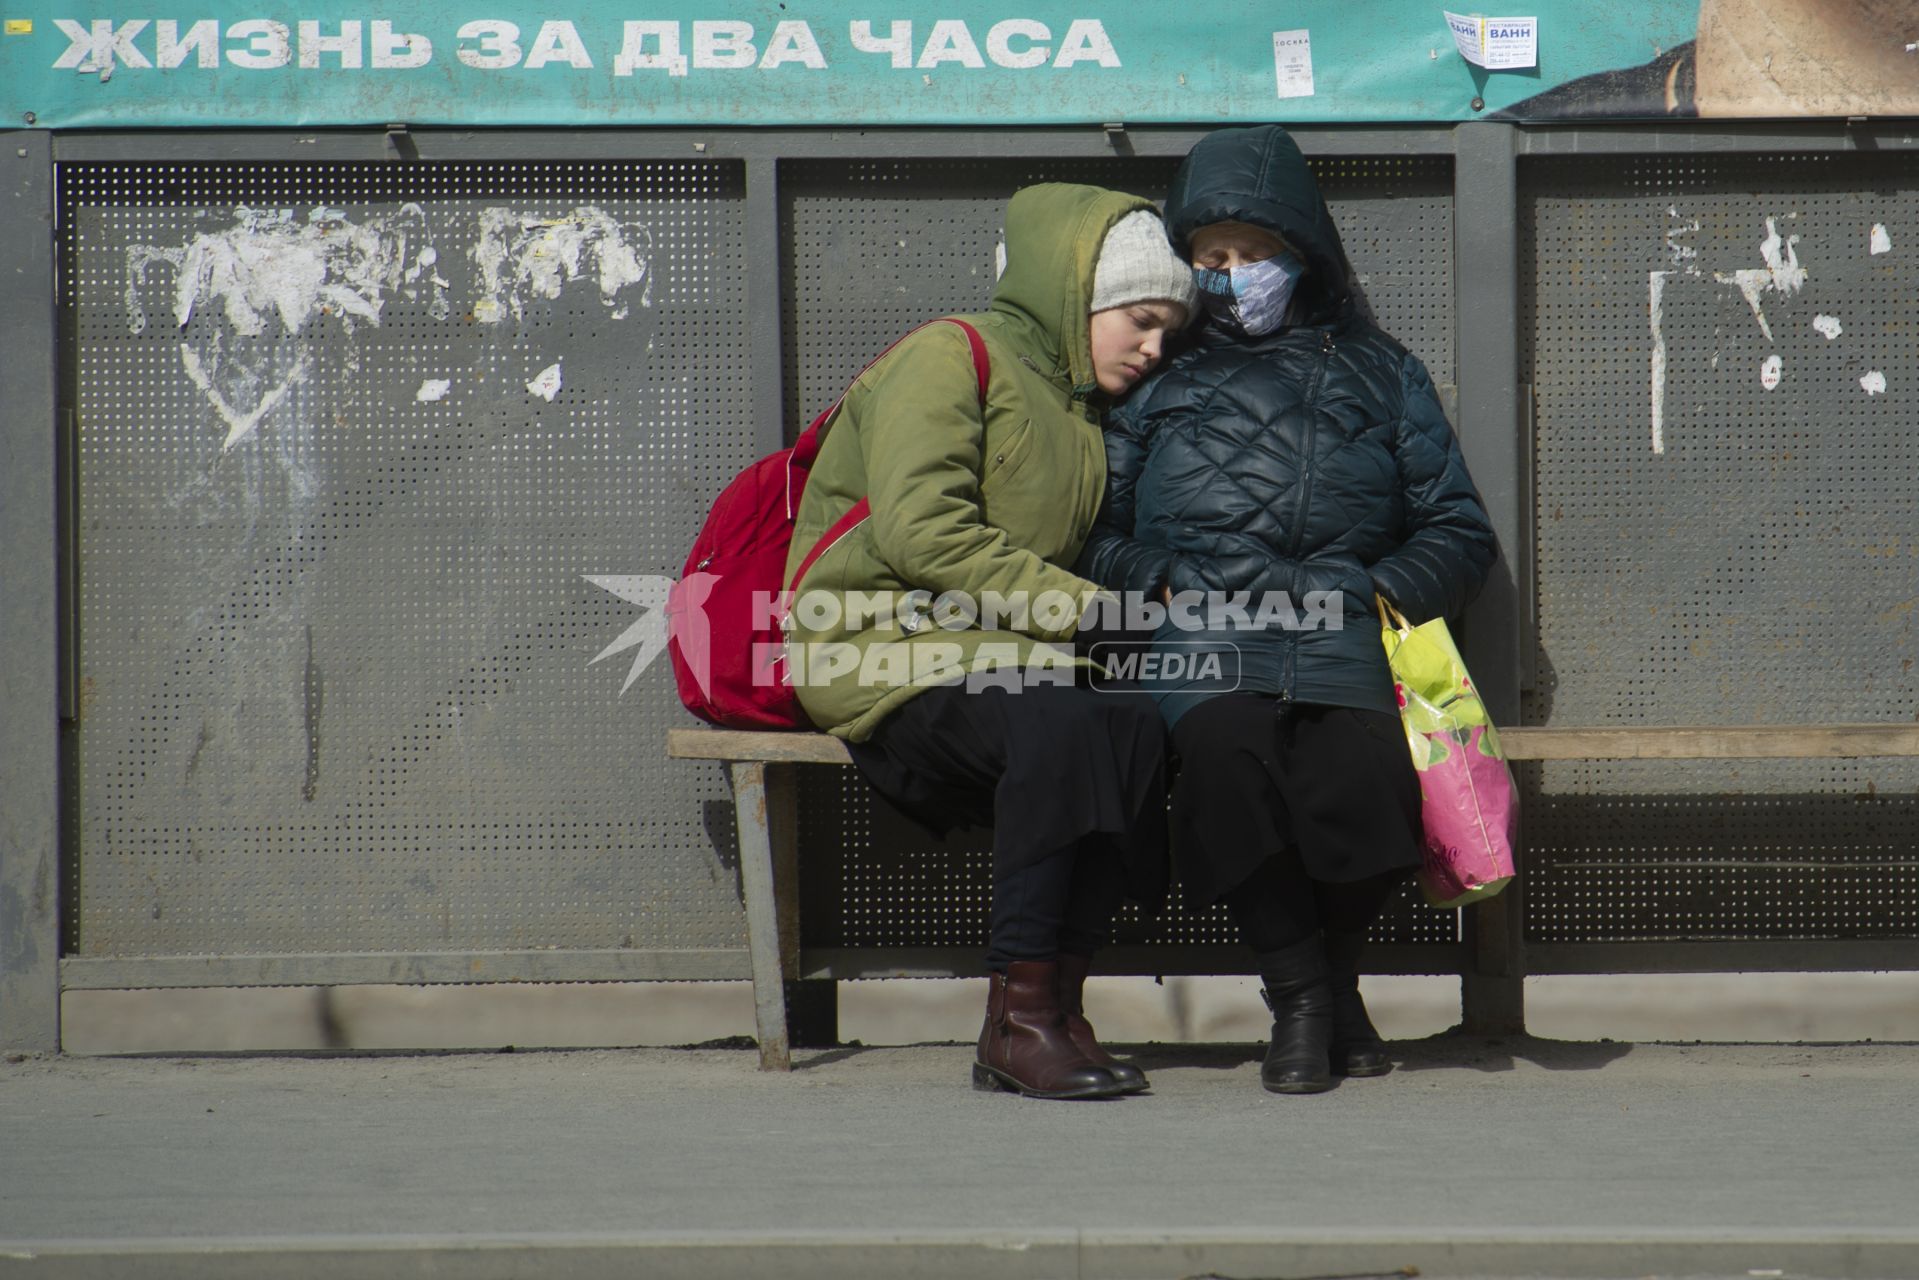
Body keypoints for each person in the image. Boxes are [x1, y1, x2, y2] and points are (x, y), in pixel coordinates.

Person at [1078, 126, 1497, 1094]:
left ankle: (1323, 989)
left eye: (1252, 250)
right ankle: (1308, 998)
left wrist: (1375, 587)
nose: (1231, 274)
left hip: (1341, 626)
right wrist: (1164, 580)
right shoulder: (1156, 380)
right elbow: (1095, 534)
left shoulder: (1383, 372)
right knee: (1224, 763)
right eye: (1210, 255)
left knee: (1372, 782)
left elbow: (1456, 530)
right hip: (1200, 634)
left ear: (1302, 251)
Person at [784, 184, 1197, 1099]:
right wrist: (1086, 612)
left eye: (1169, 328)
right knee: (1057, 724)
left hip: (992, 652)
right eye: (1138, 318)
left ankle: (1058, 1005)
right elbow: (922, 533)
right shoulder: (949, 355)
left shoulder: (1081, 413)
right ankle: (1015, 1021)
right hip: (870, 639)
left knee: (1129, 726)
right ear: (1073, 292)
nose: (1153, 346)